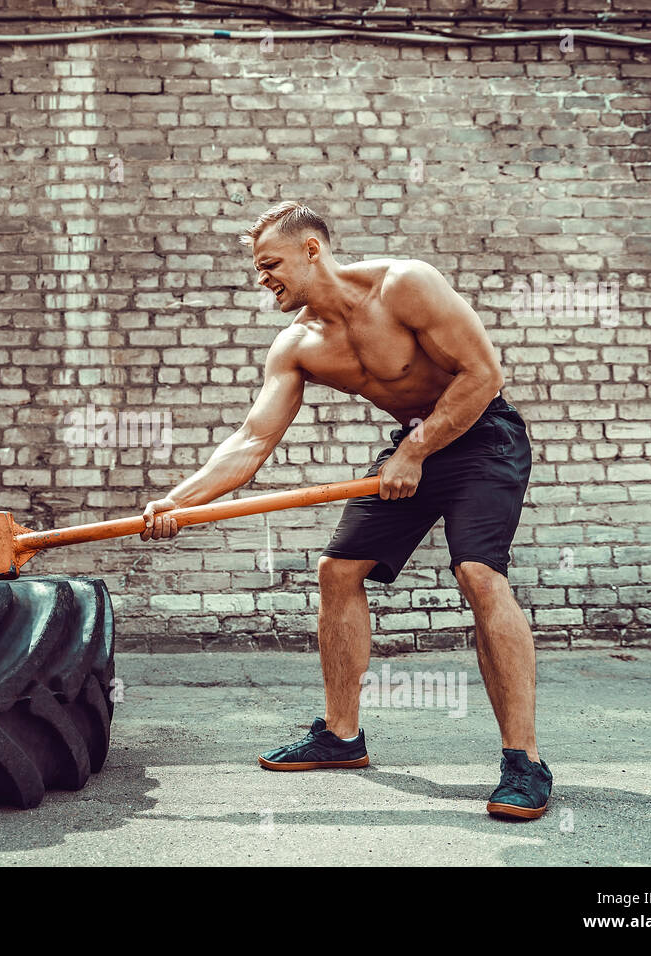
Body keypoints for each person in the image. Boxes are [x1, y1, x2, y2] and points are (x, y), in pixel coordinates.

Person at [139, 201, 551, 820]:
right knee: (339, 570)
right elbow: (252, 441)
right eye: (257, 269)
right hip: (410, 450)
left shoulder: (405, 284)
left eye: (270, 263)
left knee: (478, 574)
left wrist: (413, 451)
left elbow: (483, 374)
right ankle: (341, 736)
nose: (262, 279)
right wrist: (177, 501)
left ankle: (525, 761)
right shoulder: (299, 344)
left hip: (482, 437)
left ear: (312, 249)